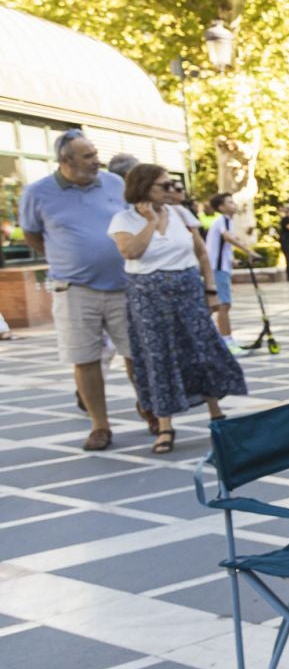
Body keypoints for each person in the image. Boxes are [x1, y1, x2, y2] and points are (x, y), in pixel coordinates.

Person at [108, 165, 248, 454]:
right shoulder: (124, 219)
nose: (171, 190)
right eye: (164, 185)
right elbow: (131, 252)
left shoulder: (180, 214)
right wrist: (149, 222)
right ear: (145, 187)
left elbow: (200, 253)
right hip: (148, 298)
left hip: (187, 291)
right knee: (159, 357)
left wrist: (210, 289)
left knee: (202, 349)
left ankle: (216, 414)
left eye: (172, 184)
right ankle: (165, 425)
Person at [18, 129, 142, 449]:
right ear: (65, 161)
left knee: (136, 354)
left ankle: (150, 407)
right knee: (85, 359)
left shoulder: (115, 184)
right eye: (87, 156)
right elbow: (33, 235)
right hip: (74, 289)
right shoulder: (37, 193)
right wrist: (67, 257)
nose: (96, 160)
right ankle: (100, 425)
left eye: (95, 153)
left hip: (123, 285)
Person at [204, 192, 261, 351]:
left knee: (212, 307)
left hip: (220, 267)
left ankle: (203, 337)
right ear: (221, 207)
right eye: (229, 202)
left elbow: (222, 248)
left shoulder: (225, 221)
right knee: (224, 305)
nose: (233, 205)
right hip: (218, 269)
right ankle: (227, 342)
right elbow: (228, 238)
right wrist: (248, 251)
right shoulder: (222, 220)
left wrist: (234, 261)